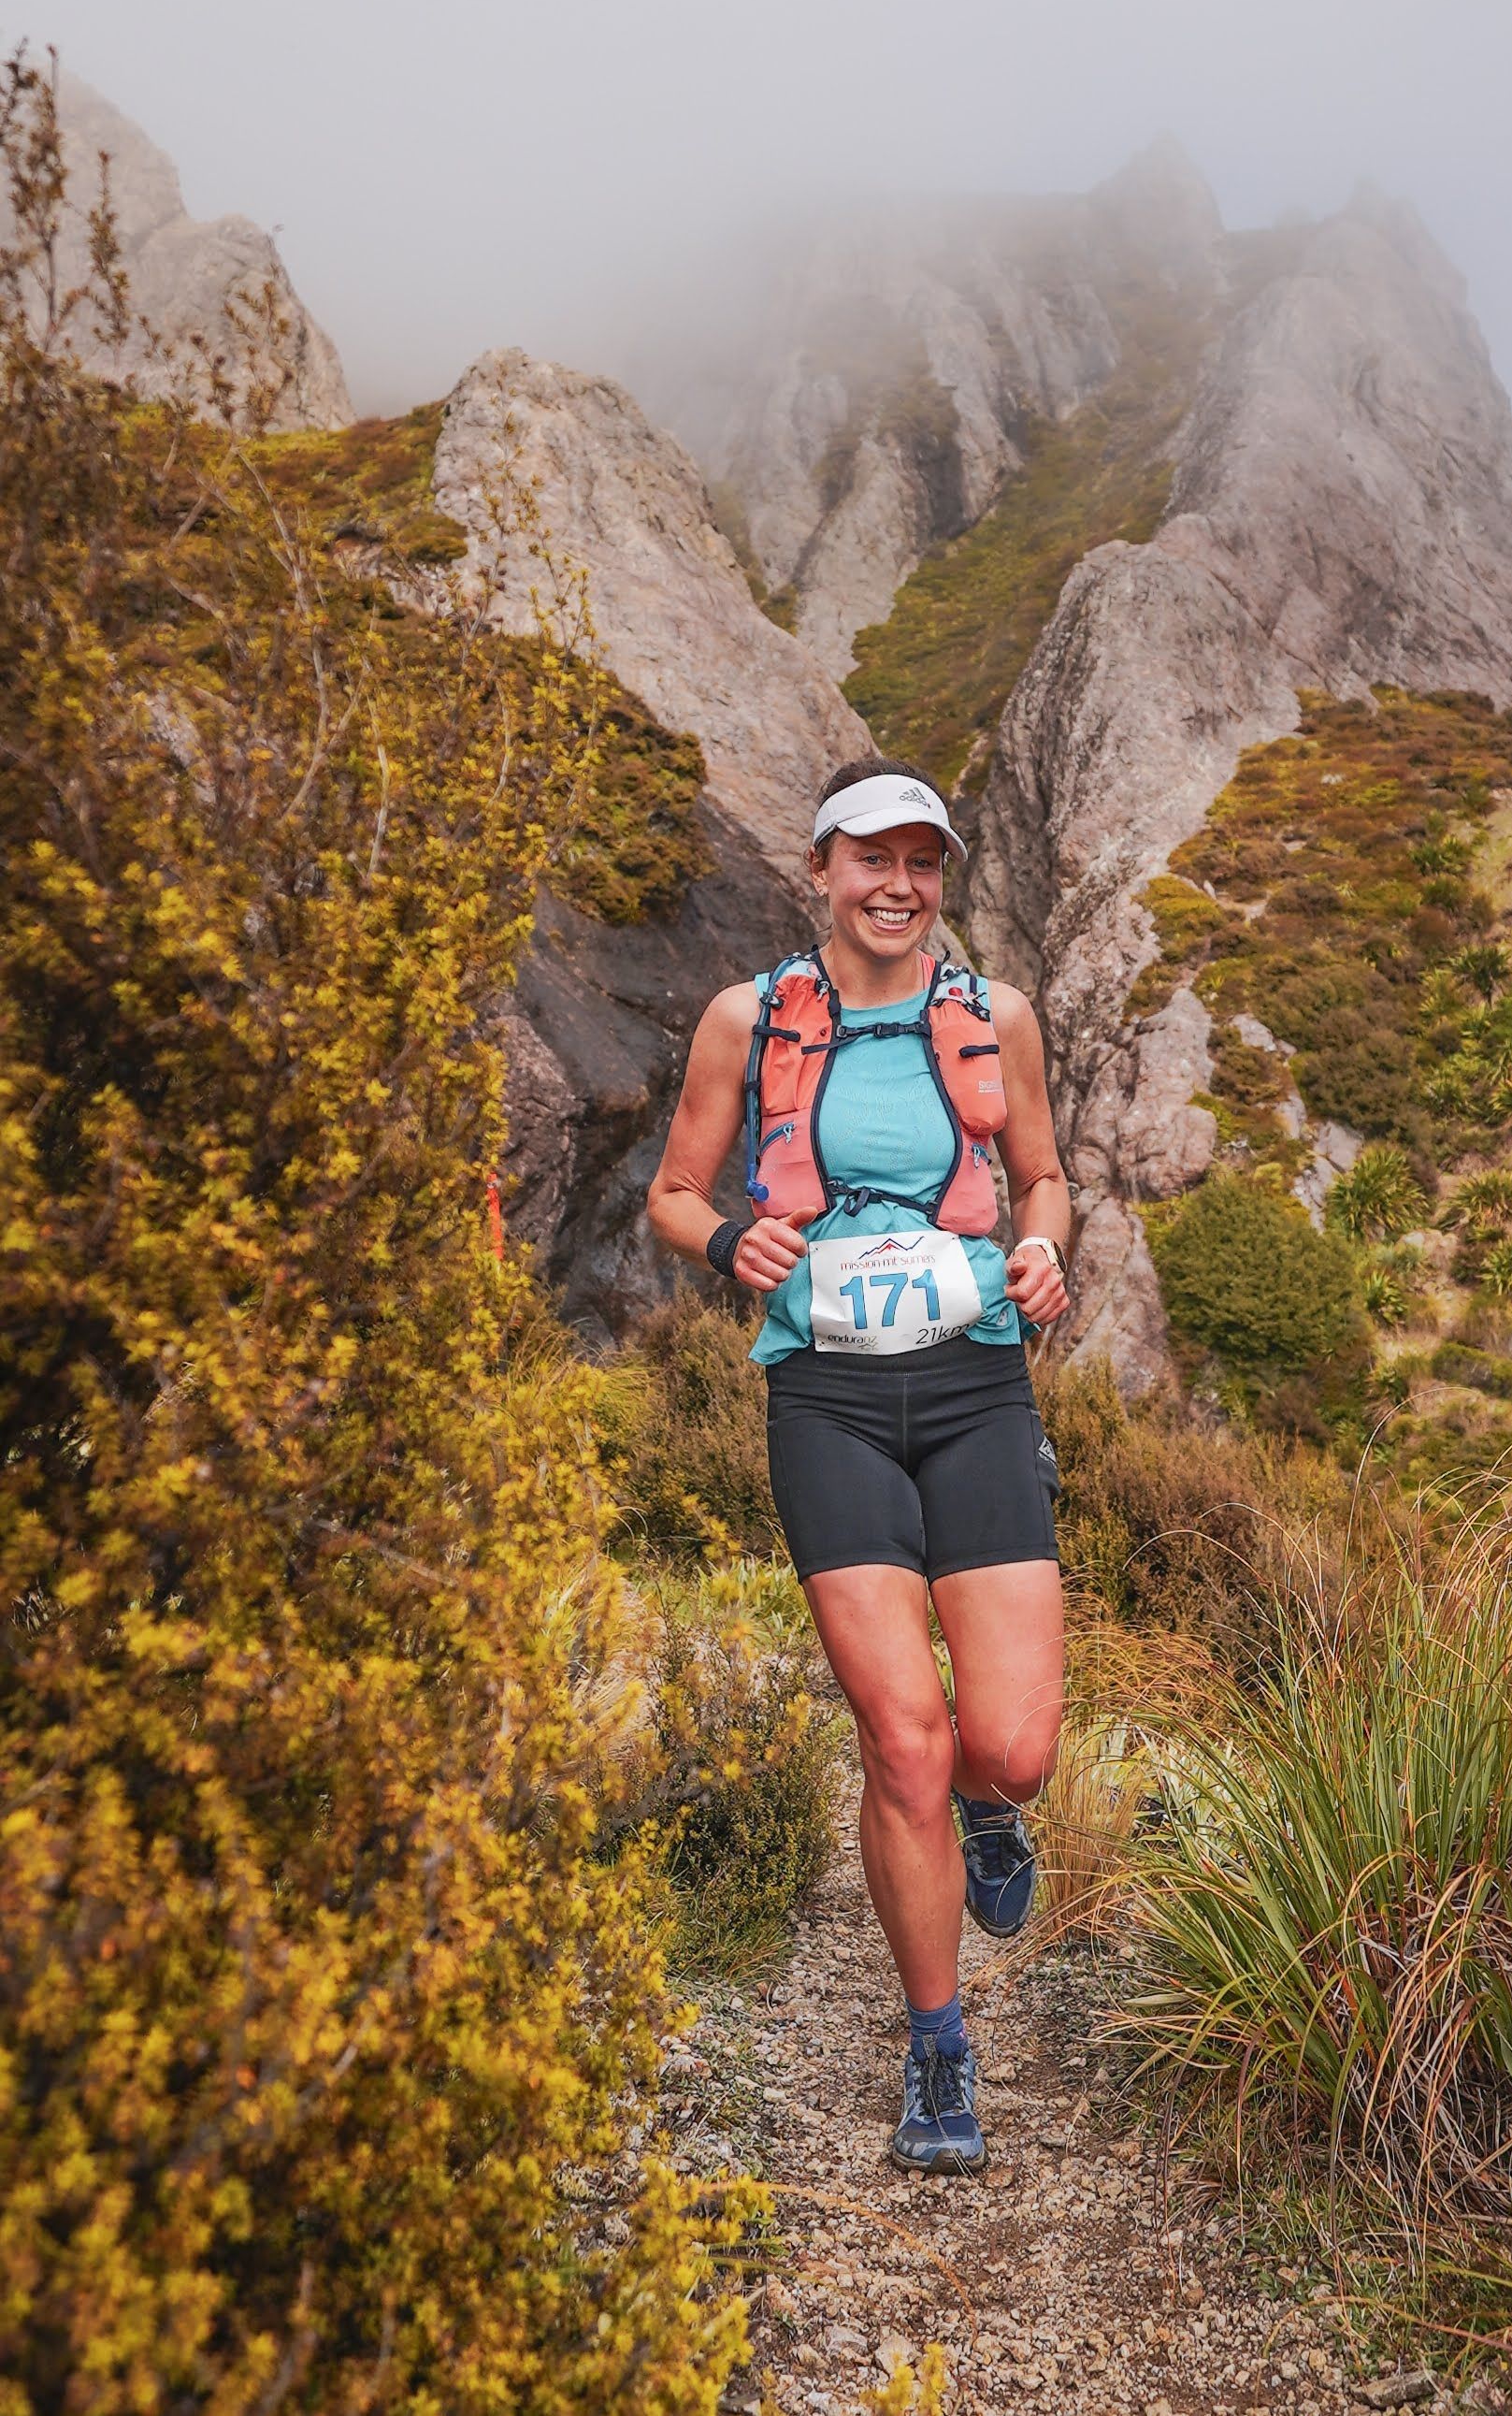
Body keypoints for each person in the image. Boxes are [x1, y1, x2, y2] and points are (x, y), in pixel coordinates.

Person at [646, 758, 1071, 2175]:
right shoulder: (748, 1019)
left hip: (974, 1380)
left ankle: (993, 1811)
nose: (897, 885)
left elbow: (1047, 1175)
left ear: (941, 876)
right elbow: (674, 1190)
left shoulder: (991, 1016)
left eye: (922, 862)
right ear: (819, 866)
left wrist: (1046, 1243)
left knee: (1002, 1746)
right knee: (905, 1739)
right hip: (823, 1394)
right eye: (869, 858)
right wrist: (727, 1242)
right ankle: (939, 2043)